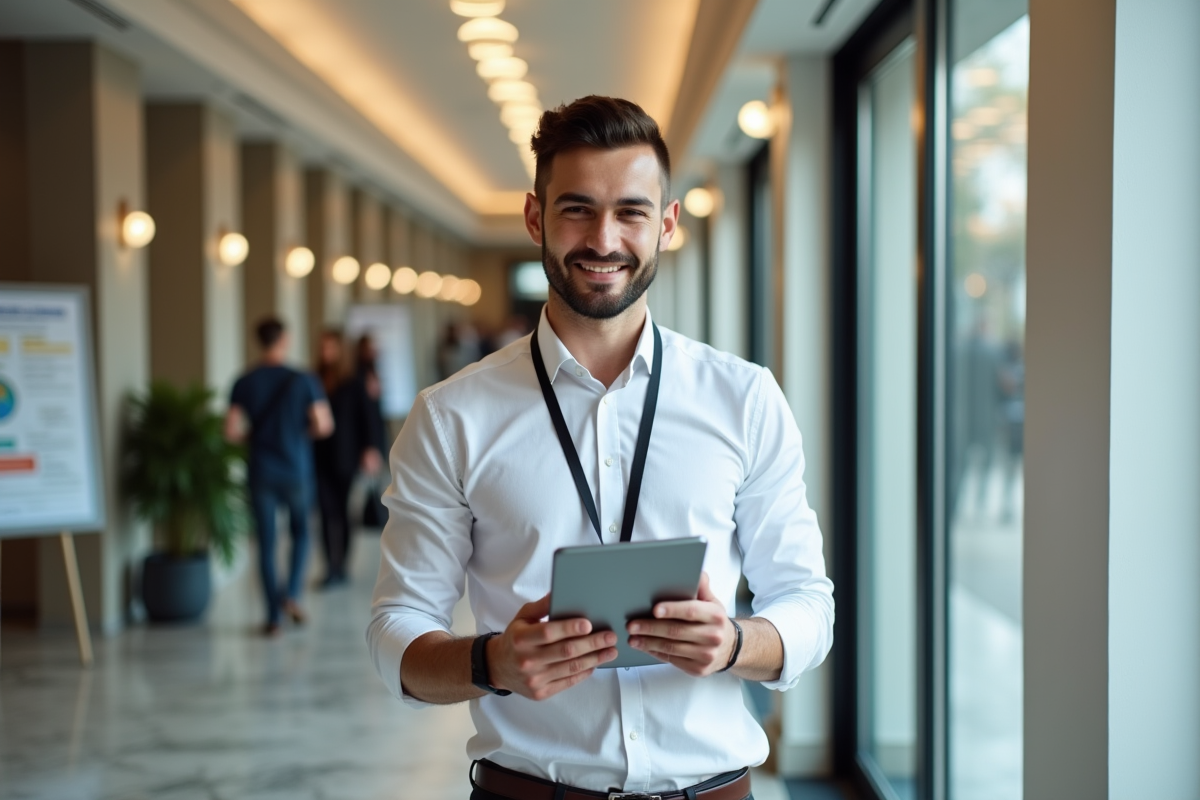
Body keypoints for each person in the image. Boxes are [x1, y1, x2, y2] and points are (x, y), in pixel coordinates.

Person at [367, 96, 833, 799]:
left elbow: (807, 605)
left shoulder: (744, 398)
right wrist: (493, 661)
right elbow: (395, 632)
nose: (604, 239)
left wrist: (734, 644)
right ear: (536, 218)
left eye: (632, 212)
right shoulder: (450, 415)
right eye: (578, 209)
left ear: (667, 224)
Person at [225, 317, 332, 636]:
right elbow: (324, 425)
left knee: (267, 543)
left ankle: (273, 617)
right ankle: (293, 595)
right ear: (284, 340)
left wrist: (255, 437)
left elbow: (230, 431)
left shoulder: (244, 380)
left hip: (261, 471)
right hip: (296, 469)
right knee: (301, 532)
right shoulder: (303, 379)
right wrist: (298, 433)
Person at [313, 329, 382, 587]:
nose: (325, 353)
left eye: (330, 348)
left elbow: (368, 417)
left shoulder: (354, 381)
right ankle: (330, 567)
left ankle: (342, 565)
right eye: (322, 347)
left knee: (342, 512)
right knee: (324, 512)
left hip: (345, 456)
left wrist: (371, 448)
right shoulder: (316, 378)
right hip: (318, 457)